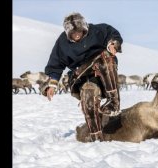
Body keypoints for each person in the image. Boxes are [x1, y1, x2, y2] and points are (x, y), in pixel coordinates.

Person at [41, 12, 123, 141]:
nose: (77, 34)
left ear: (83, 27)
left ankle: (114, 102)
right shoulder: (62, 42)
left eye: (79, 30)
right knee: (88, 97)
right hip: (82, 76)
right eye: (73, 33)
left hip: (104, 72)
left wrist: (114, 43)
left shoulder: (97, 30)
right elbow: (55, 64)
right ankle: (96, 137)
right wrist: (52, 83)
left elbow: (113, 34)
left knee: (105, 57)